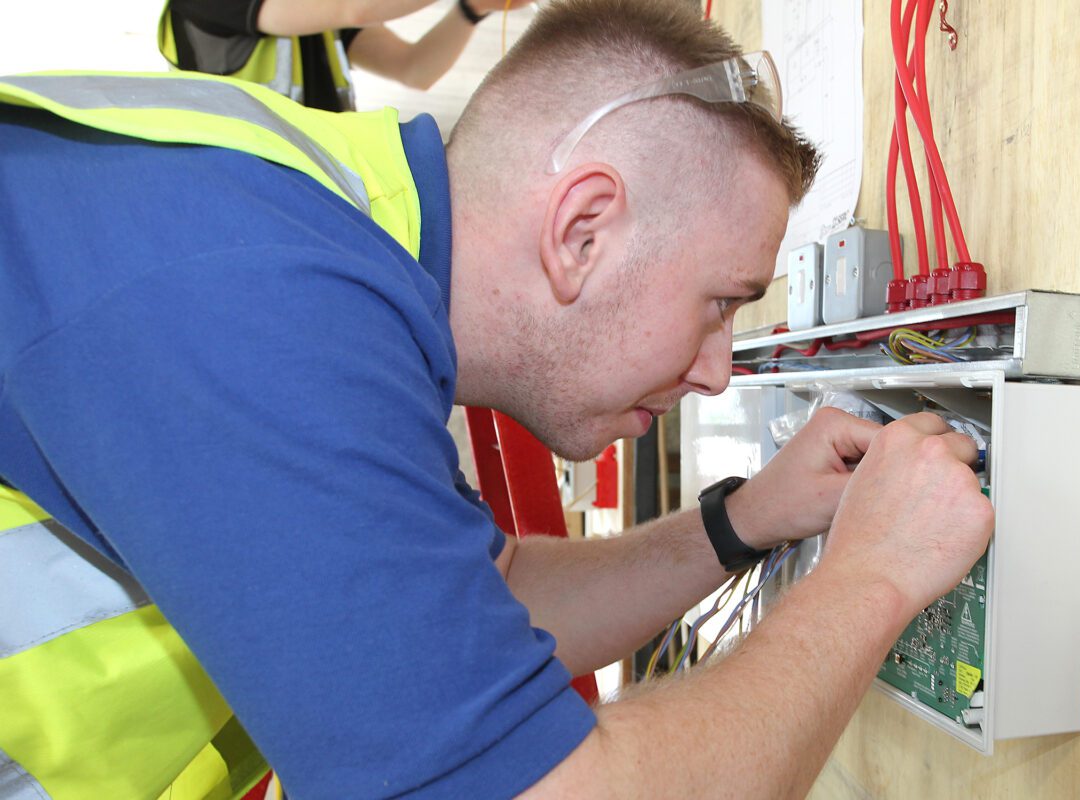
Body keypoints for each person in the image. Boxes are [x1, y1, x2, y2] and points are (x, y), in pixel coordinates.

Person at [0, 0, 993, 796]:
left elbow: (485, 601)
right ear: (582, 230)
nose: (717, 370)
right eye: (716, 304)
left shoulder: (337, 260)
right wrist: (877, 572)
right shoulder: (248, 288)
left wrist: (742, 521)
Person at [158, 0, 533, 112]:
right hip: (245, 193)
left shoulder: (315, 15)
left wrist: (470, 10)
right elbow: (356, 8)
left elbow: (414, 69)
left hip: (315, 191)